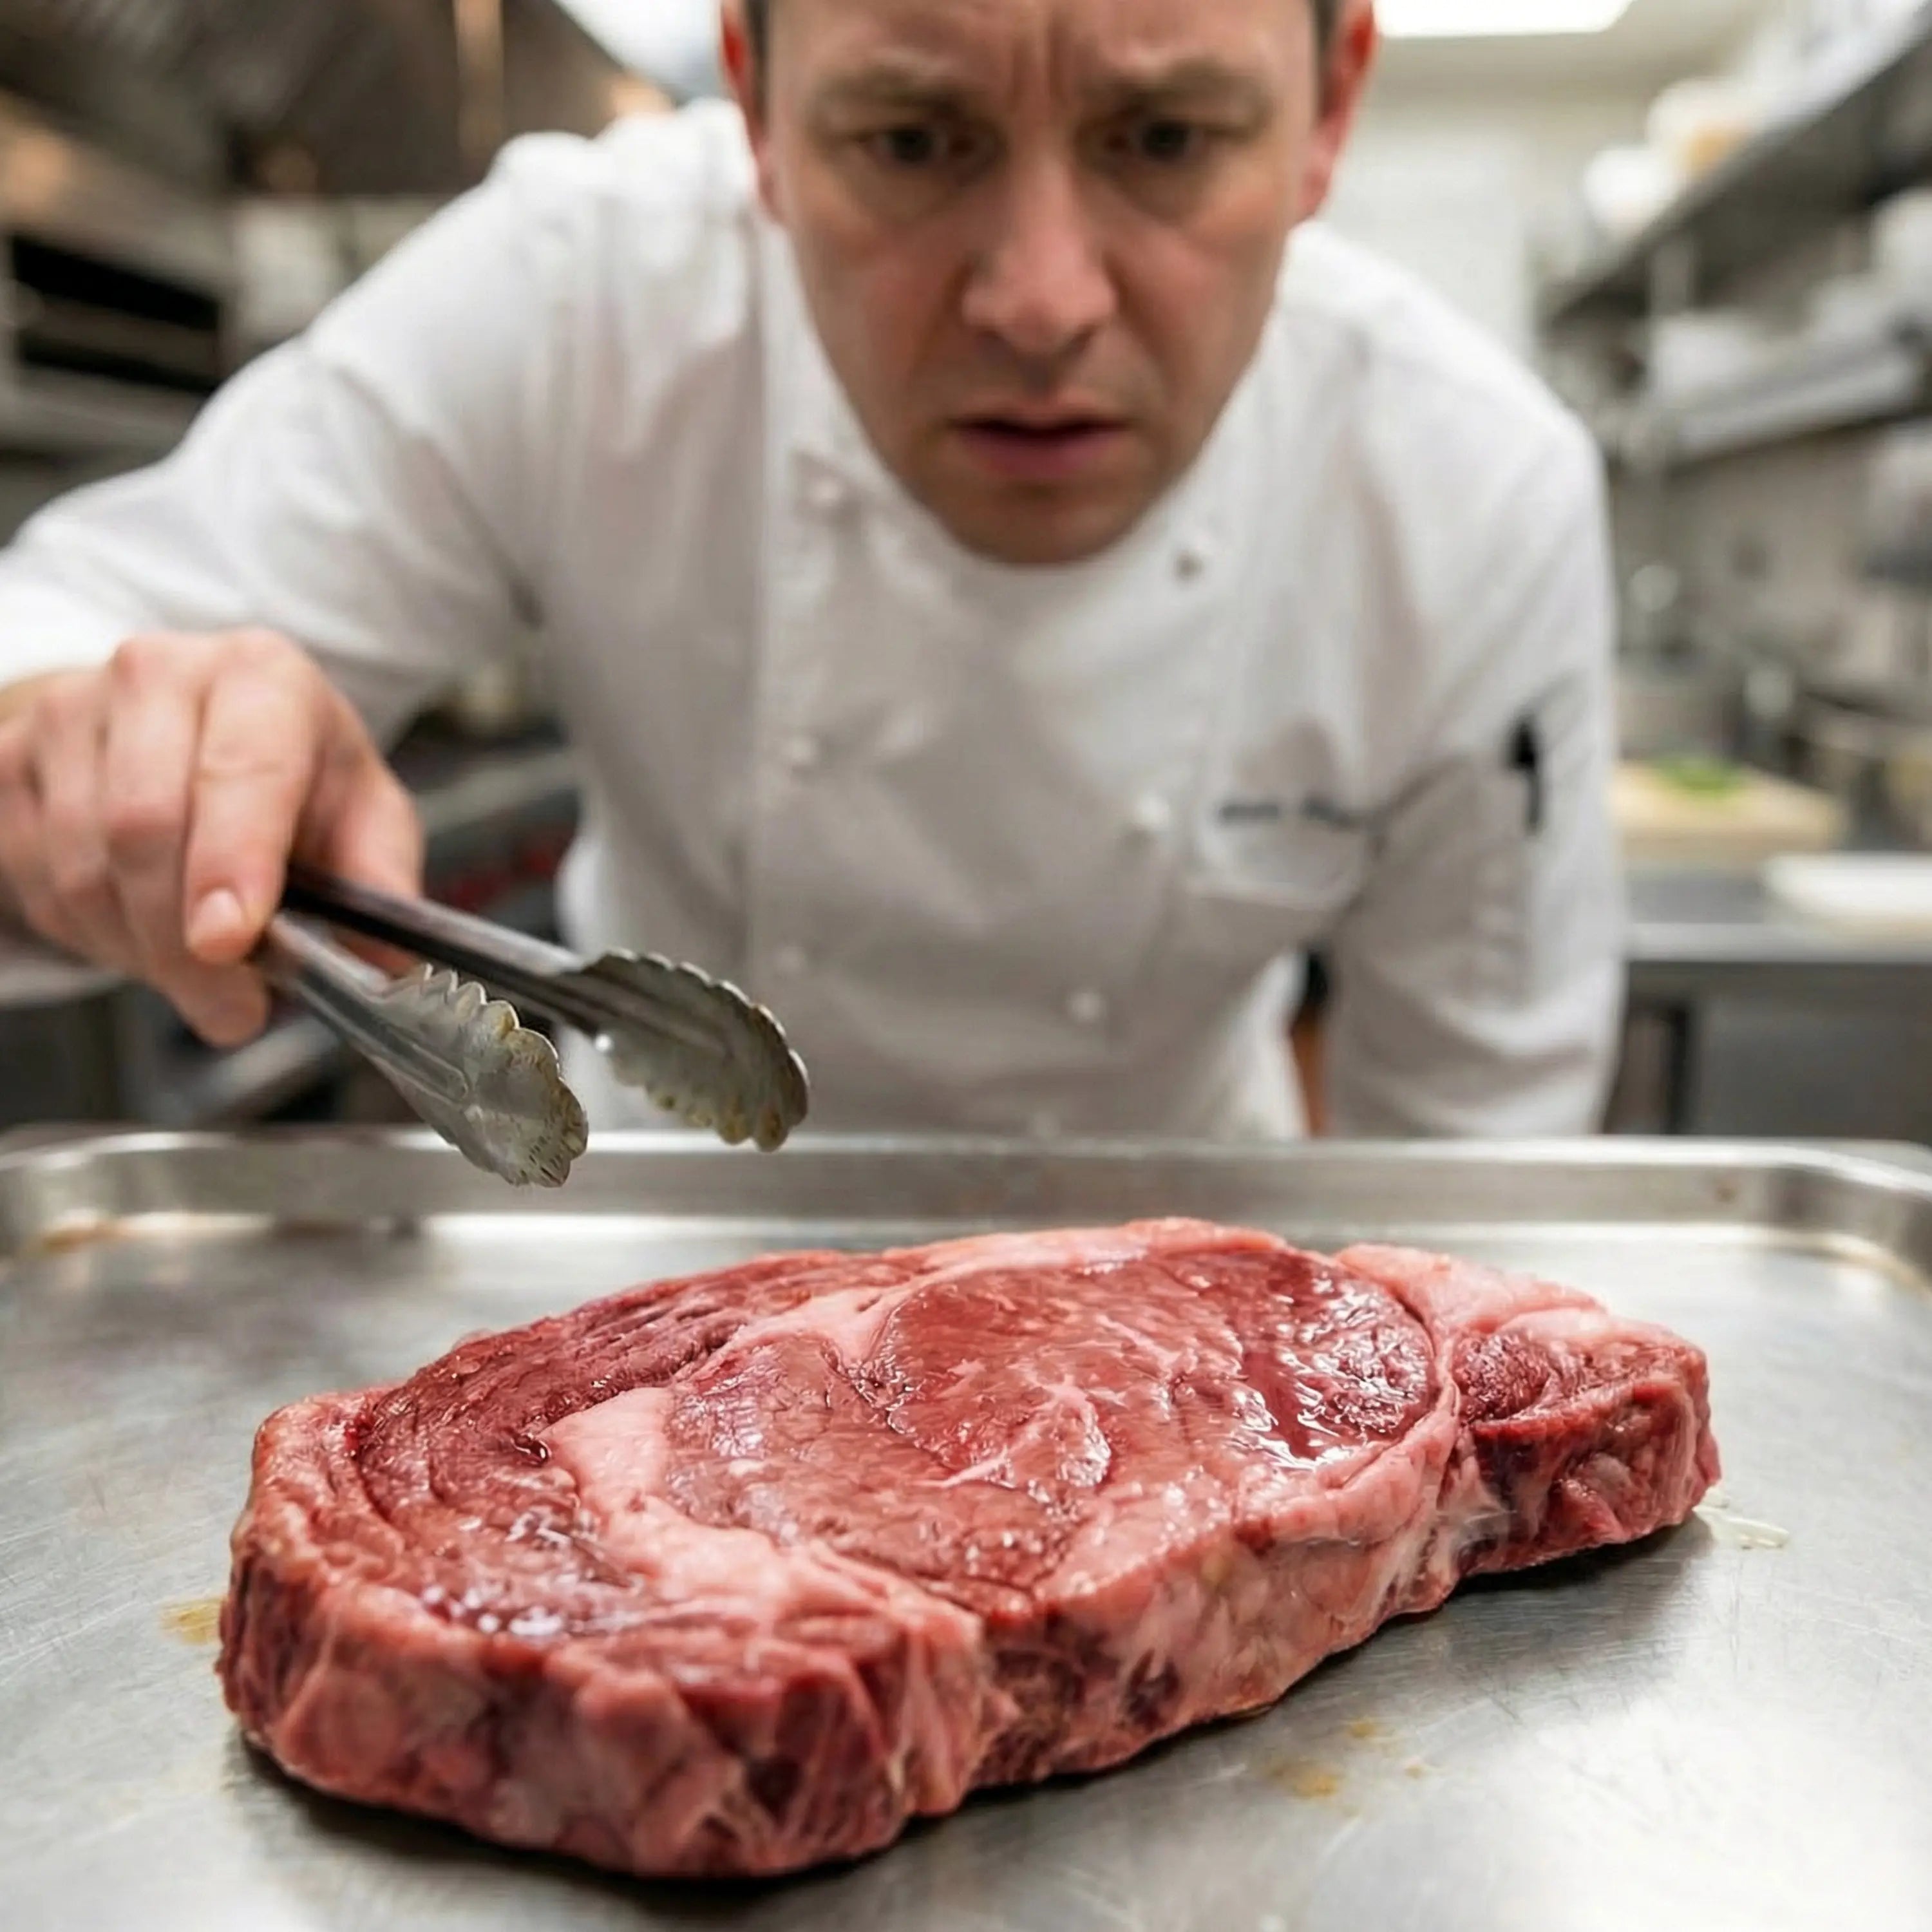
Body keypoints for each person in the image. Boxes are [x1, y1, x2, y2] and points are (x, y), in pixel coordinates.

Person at [0, 0, 1622, 1141]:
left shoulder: (1468, 498)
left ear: (1330, 105)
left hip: (1173, 1266)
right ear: (757, 107)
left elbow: (1482, 1183)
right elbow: (65, 634)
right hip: (658, 1264)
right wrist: (94, 746)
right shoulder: (581, 297)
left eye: (1167, 137)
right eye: (914, 140)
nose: (1042, 300)